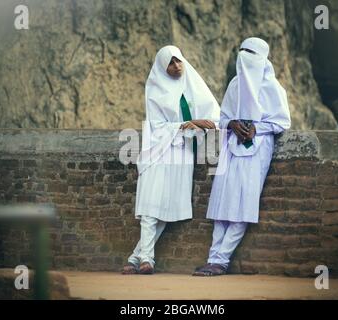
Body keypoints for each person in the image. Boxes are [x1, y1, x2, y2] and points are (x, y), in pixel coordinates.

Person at [193, 37, 291, 276]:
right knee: (222, 202)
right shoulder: (235, 85)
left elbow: (282, 122)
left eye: (251, 53)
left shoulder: (273, 88)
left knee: (243, 204)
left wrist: (257, 128)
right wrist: (233, 124)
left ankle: (221, 260)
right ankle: (212, 257)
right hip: (231, 146)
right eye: (242, 51)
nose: (244, 57)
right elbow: (223, 117)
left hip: (258, 149)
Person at [122, 45, 220, 275]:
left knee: (167, 208)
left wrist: (200, 123)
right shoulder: (155, 89)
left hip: (181, 152)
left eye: (179, 61)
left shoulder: (192, 84)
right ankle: (147, 258)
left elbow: (214, 116)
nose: (176, 66)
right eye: (171, 62)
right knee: (150, 204)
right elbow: (157, 126)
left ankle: (137, 258)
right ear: (162, 66)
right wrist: (190, 123)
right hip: (158, 149)